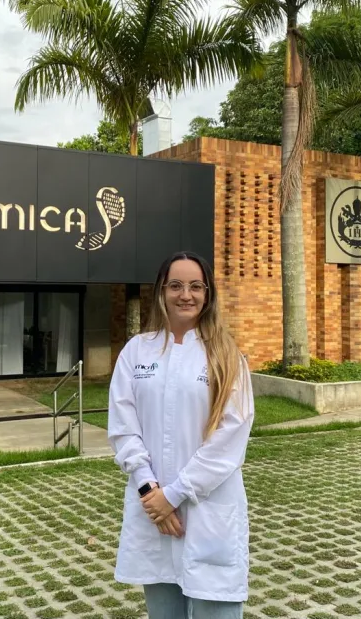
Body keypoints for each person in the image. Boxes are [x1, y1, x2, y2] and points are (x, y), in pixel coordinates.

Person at [108, 251, 254, 619]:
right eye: (175, 285)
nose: (185, 295)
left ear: (207, 294)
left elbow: (230, 438)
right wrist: (150, 492)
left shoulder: (226, 355)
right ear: (161, 291)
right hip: (154, 513)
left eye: (195, 286)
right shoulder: (136, 351)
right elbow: (124, 428)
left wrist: (173, 495)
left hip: (208, 510)